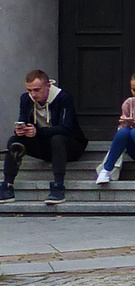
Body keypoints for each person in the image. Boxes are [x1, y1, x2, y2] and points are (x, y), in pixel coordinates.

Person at [3, 70, 88, 204]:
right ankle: (7, 185)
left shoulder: (63, 98)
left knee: (57, 138)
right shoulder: (25, 99)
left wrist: (38, 132)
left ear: (48, 86)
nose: (33, 94)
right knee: (14, 141)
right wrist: (21, 130)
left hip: (70, 146)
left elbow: (66, 128)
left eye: (37, 90)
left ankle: (58, 186)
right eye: (29, 90)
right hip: (44, 145)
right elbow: (23, 120)